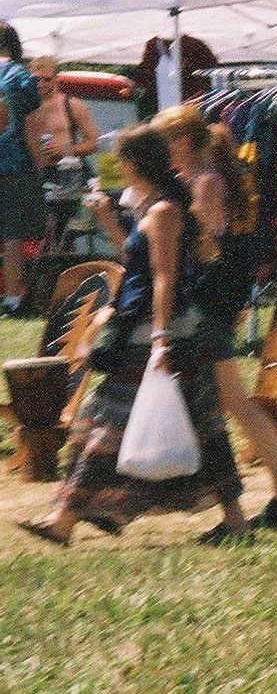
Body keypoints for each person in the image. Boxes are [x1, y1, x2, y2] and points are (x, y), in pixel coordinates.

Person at [16, 125, 250, 546]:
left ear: (136, 163)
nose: (118, 168)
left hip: (159, 330)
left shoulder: (164, 211)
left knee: (106, 419)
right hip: (157, 326)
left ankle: (64, 519)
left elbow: (165, 276)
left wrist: (160, 339)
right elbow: (138, 262)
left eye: (122, 161)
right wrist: (109, 222)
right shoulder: (155, 208)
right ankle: (233, 520)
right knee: (200, 422)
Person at [148, 106, 277, 526]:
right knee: (230, 403)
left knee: (230, 404)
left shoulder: (204, 181)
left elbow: (203, 240)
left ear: (181, 141)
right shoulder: (197, 179)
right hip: (204, 303)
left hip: (203, 304)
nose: (158, 151)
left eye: (162, 142)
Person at [0, 22, 44, 317]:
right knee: (14, 233)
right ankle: (14, 298)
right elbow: (31, 129)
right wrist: (39, 166)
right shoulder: (20, 76)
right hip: (15, 165)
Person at [26, 56, 98, 177]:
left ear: (56, 80)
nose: (40, 84)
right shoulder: (24, 106)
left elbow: (94, 143)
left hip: (68, 172)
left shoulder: (71, 104)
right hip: (36, 174)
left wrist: (65, 150)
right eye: (36, 79)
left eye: (47, 79)